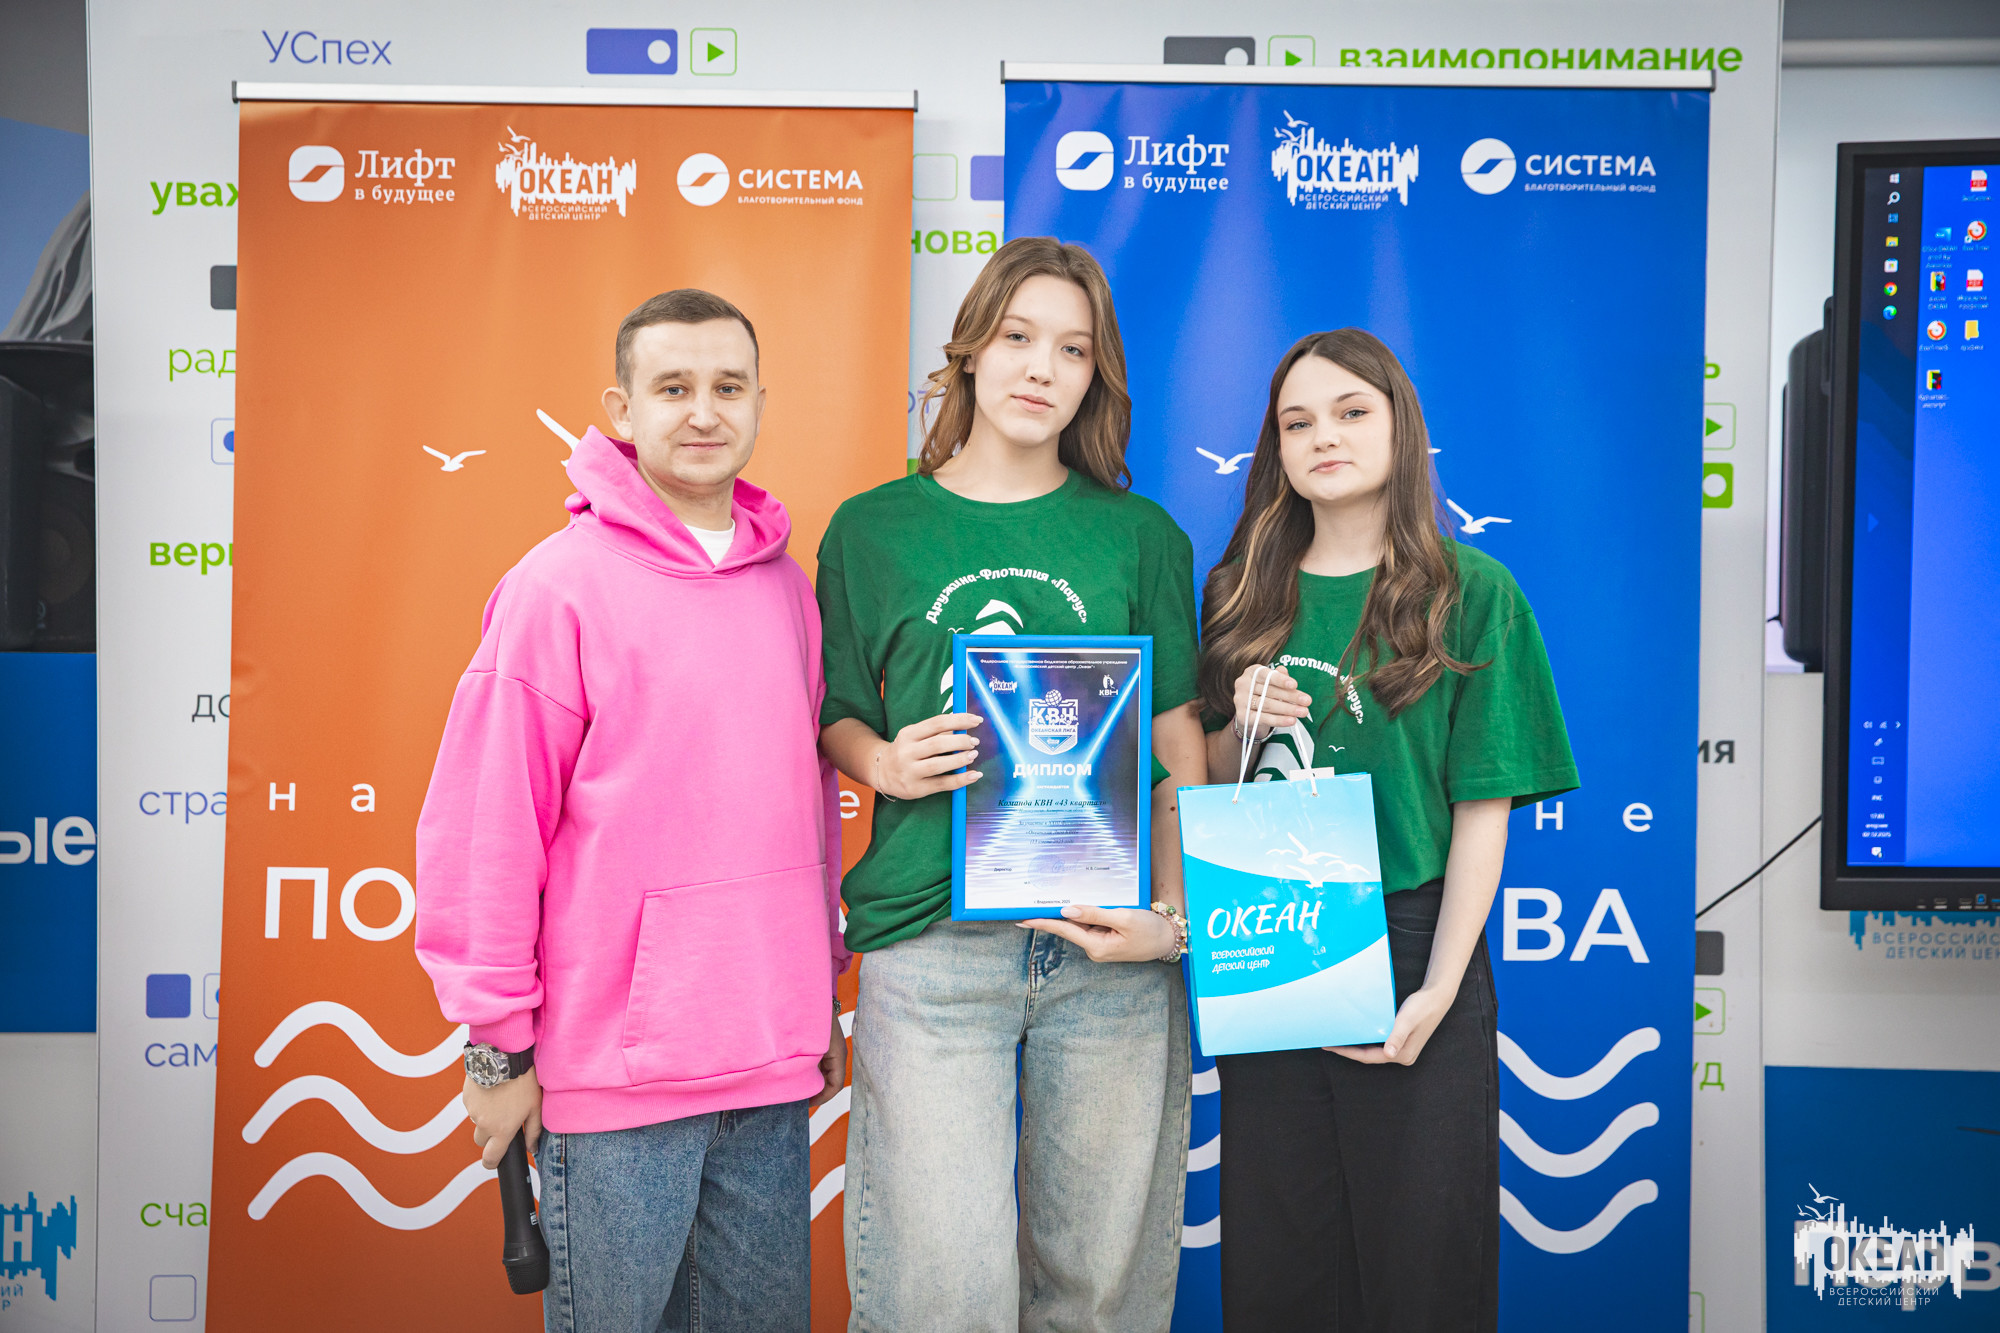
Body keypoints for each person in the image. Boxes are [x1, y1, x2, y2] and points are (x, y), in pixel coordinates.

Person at [413, 289, 848, 1333]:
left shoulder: (787, 588)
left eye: (727, 387)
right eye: (672, 387)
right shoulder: (555, 588)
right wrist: (496, 1049)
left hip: (768, 1065)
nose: (703, 411)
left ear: (759, 402)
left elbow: (805, 810)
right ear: (621, 409)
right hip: (613, 1085)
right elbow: (487, 831)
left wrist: (815, 985)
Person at [815, 237, 1206, 1332]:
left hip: (1109, 953)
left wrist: (1170, 921)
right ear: (971, 352)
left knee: (1099, 1293)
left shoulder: (1141, 536)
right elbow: (836, 711)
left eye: (1072, 349)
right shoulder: (870, 528)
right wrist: (883, 761)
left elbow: (1177, 743)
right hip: (931, 943)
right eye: (1018, 336)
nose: (1042, 367)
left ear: (1095, 377)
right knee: (939, 1293)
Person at [1198, 329, 1579, 1330]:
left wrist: (1441, 989)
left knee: (1421, 1269)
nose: (1323, 436)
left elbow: (1482, 810)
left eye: (1350, 411)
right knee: (1279, 1265)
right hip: (1272, 933)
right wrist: (1240, 723)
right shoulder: (1240, 592)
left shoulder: (1472, 591)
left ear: (1400, 427)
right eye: (1297, 422)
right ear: (1276, 450)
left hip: (1415, 938)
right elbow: (1210, 787)